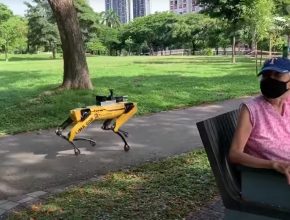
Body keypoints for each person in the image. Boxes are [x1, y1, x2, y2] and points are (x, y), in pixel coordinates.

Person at [229, 57, 290, 184]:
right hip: (273, 179)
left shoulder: (287, 103)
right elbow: (234, 154)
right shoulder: (251, 110)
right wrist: (273, 164)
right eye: (266, 75)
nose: (270, 80)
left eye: (277, 75)